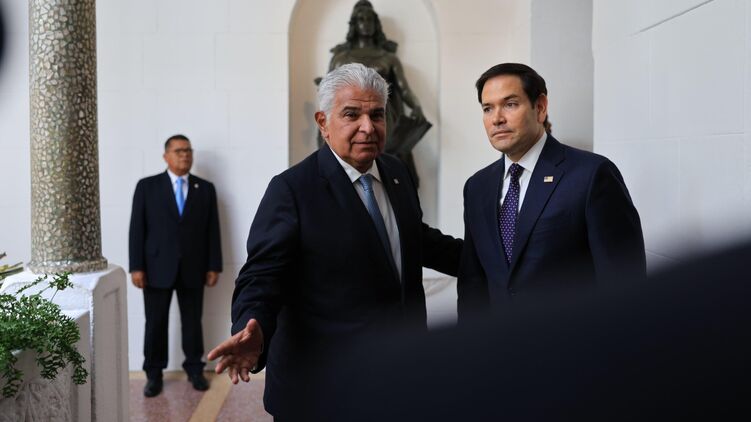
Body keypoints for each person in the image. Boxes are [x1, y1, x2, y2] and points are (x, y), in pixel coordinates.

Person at [208, 63, 462, 420]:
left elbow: (415, 238)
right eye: (351, 114)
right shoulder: (292, 190)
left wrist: (493, 257)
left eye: (377, 115)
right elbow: (262, 276)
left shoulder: (396, 172)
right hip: (322, 390)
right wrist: (253, 327)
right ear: (323, 122)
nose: (367, 127)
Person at [458, 63, 646, 319]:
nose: (496, 119)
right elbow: (473, 283)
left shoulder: (591, 175)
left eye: (510, 104)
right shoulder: (477, 187)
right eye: (487, 108)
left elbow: (623, 283)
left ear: (540, 107)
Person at [129, 134, 222, 397]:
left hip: (194, 267)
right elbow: (137, 229)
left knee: (193, 322)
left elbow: (212, 230)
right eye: (179, 151)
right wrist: (136, 267)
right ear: (166, 156)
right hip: (156, 268)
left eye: (188, 151)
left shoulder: (205, 188)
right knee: (155, 323)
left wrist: (214, 265)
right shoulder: (147, 187)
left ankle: (195, 369)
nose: (185, 155)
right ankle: (153, 374)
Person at [322, 0, 430, 186]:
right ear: (354, 24)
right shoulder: (341, 58)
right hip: (349, 119)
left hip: (385, 117)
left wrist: (417, 106)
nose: (366, 23)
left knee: (389, 168)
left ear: (376, 23)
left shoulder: (389, 58)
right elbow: (328, 91)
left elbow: (404, 89)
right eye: (361, 19)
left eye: (370, 19)